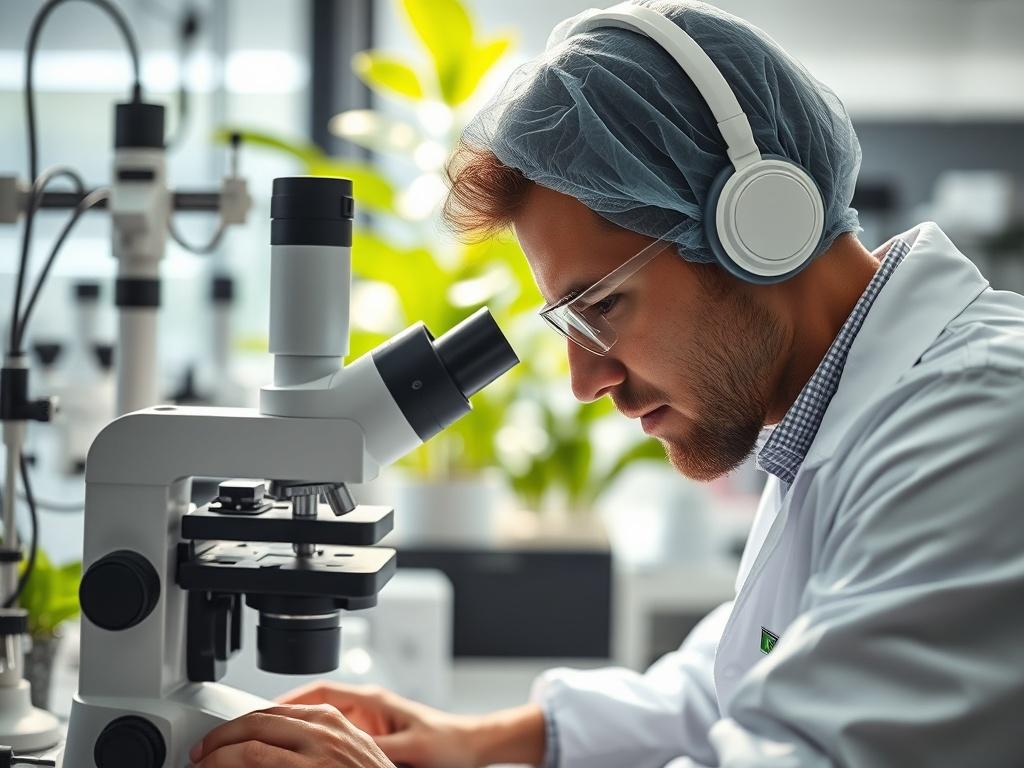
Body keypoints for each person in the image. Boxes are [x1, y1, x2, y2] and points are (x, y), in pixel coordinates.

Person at [188, 1, 1024, 766]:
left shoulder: (979, 423)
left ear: (759, 227)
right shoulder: (844, 411)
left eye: (604, 305)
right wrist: (481, 741)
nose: (587, 382)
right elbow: (740, 680)